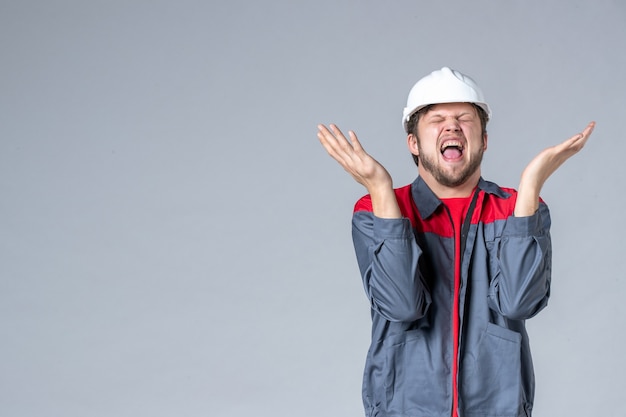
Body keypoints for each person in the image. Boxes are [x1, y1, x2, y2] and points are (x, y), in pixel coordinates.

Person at [317, 67, 595, 417]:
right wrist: (379, 188)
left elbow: (519, 303)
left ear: (484, 139)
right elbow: (401, 305)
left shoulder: (516, 208)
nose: (452, 127)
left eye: (465, 118)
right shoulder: (377, 209)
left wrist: (531, 184)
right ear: (413, 143)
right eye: (437, 120)